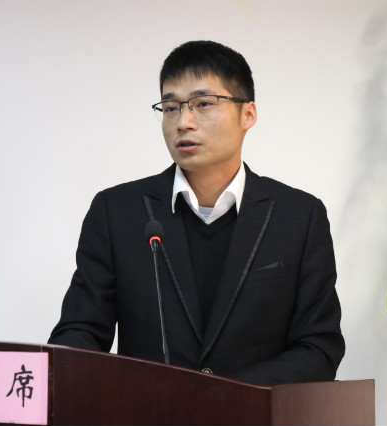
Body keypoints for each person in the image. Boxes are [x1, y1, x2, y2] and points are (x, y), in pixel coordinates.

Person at [48, 40, 344, 385]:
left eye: (203, 104)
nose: (183, 122)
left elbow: (318, 349)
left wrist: (226, 397)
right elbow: (79, 332)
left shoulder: (299, 216)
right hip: (148, 411)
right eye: (171, 107)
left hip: (254, 412)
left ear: (248, 114)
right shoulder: (117, 212)